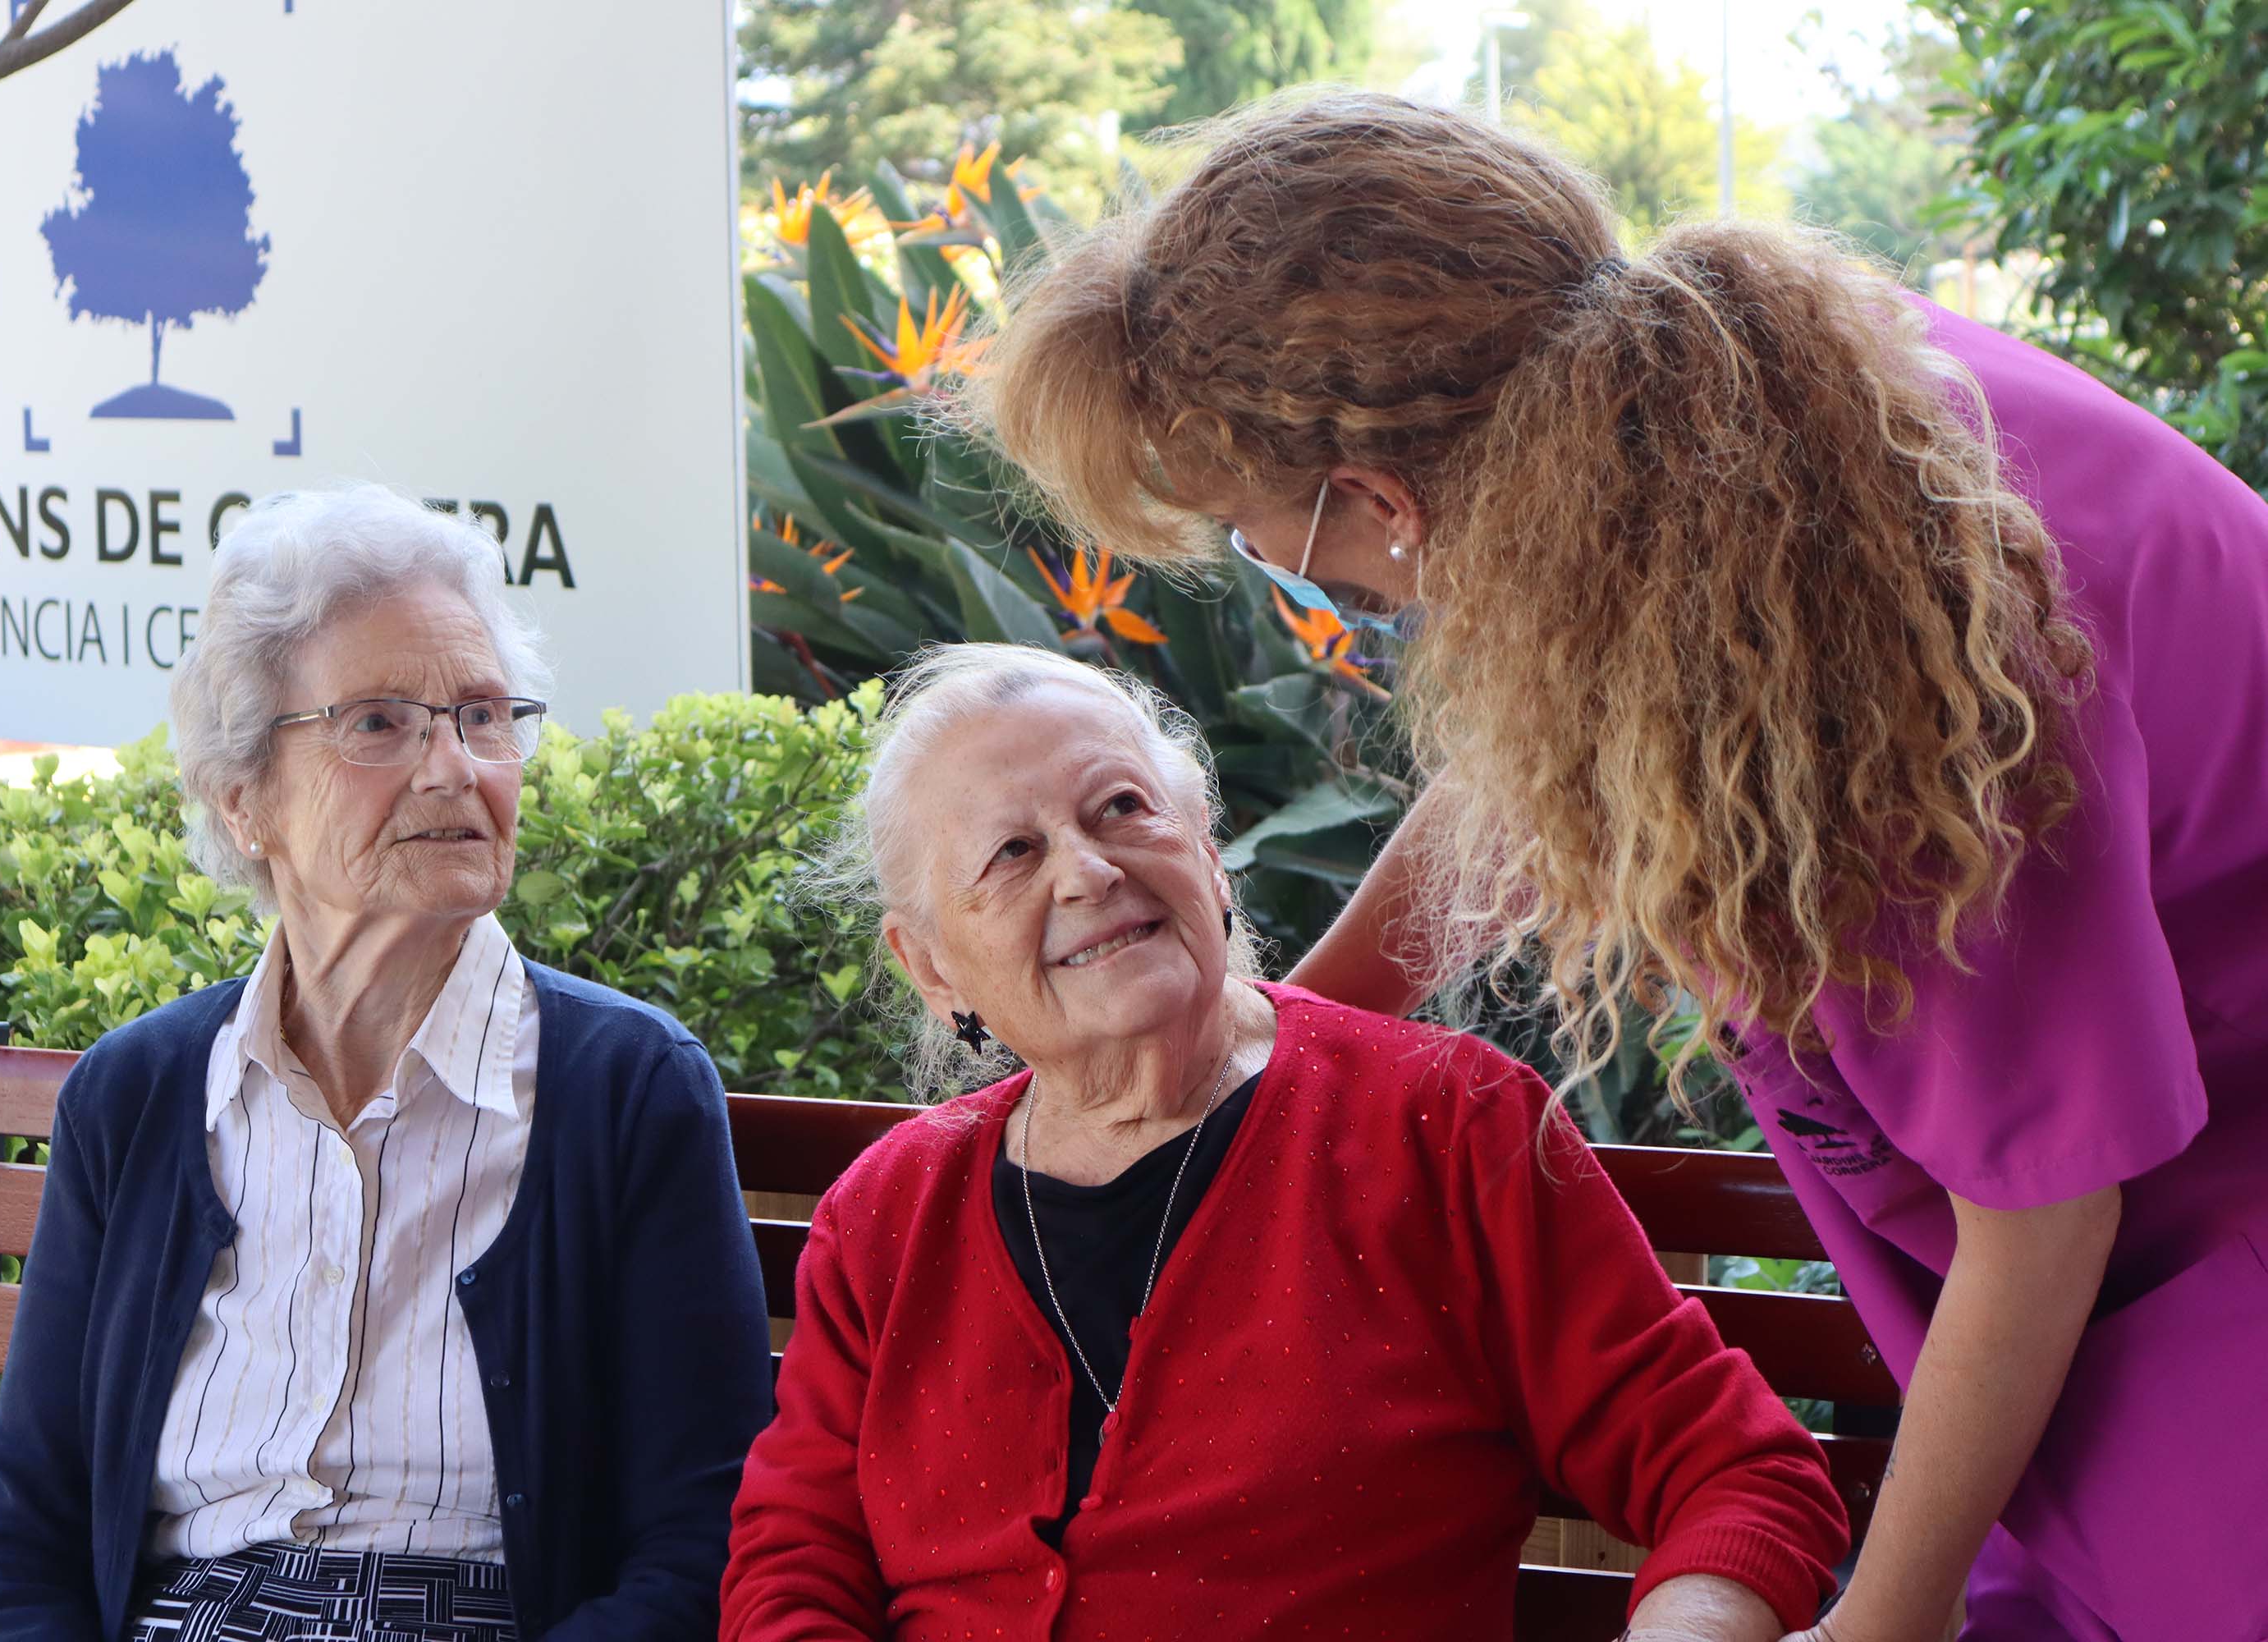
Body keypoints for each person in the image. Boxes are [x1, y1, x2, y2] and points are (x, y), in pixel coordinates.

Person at [965, 89, 2268, 1642]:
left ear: (1384, 504)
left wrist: (1874, 1623)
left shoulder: (1870, 649)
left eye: (1266, 542)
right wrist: (1288, 1039)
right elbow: (1548, 739)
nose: (1292, 581)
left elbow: (2046, 1211)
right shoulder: (1747, 409)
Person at [720, 642, 1847, 1641]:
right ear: (931, 967)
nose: (1089, 869)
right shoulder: (888, 1216)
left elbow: (1739, 1476)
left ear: (1208, 853)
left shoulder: (1440, 1130)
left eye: (1120, 808)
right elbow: (794, 1569)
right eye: (1013, 853)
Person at [0, 486, 773, 1642]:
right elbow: (25, 1531)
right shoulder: (137, 1096)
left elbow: (703, 1537)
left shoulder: (623, 1092)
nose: (456, 769)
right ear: (247, 802)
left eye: (483, 716)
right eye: (381, 723)